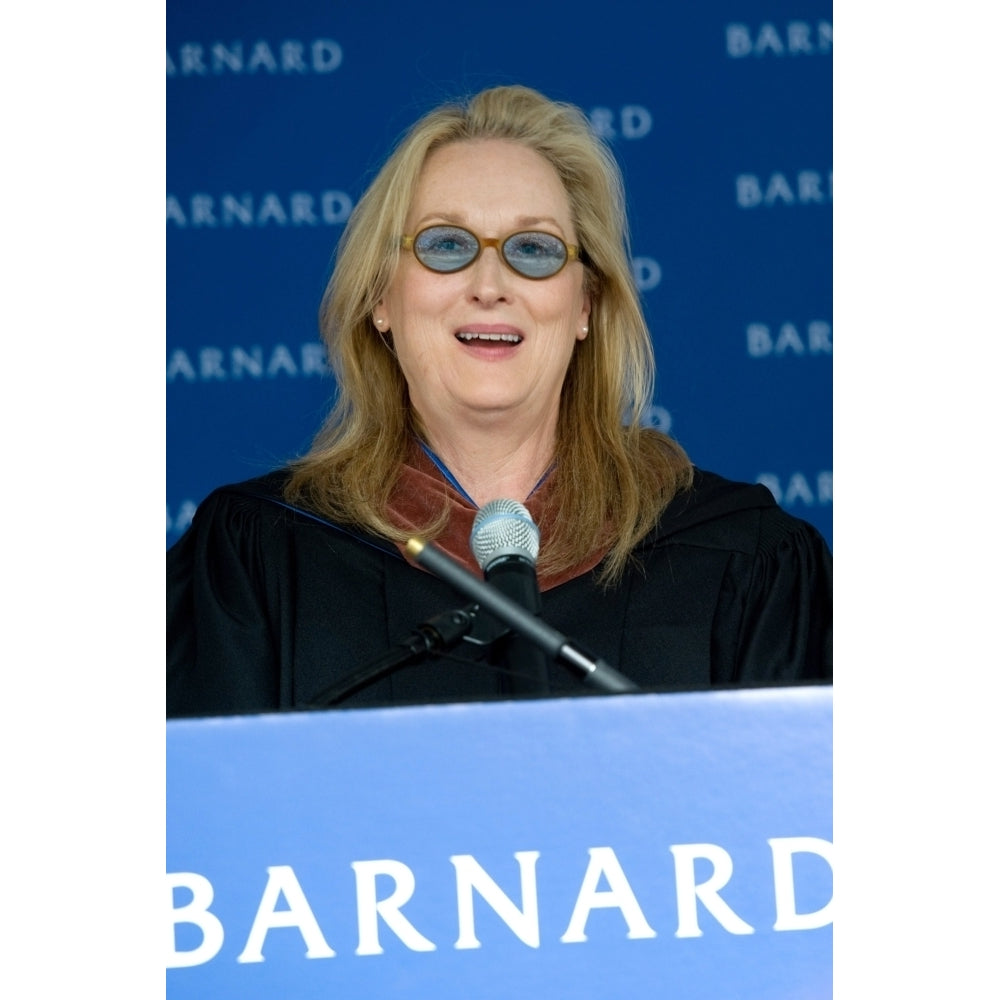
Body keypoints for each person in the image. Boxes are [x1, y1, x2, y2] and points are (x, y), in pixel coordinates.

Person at [167, 84, 832, 718]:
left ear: (584, 305)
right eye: (446, 245)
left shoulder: (745, 561)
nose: (490, 284)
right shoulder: (256, 565)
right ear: (380, 300)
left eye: (534, 250)